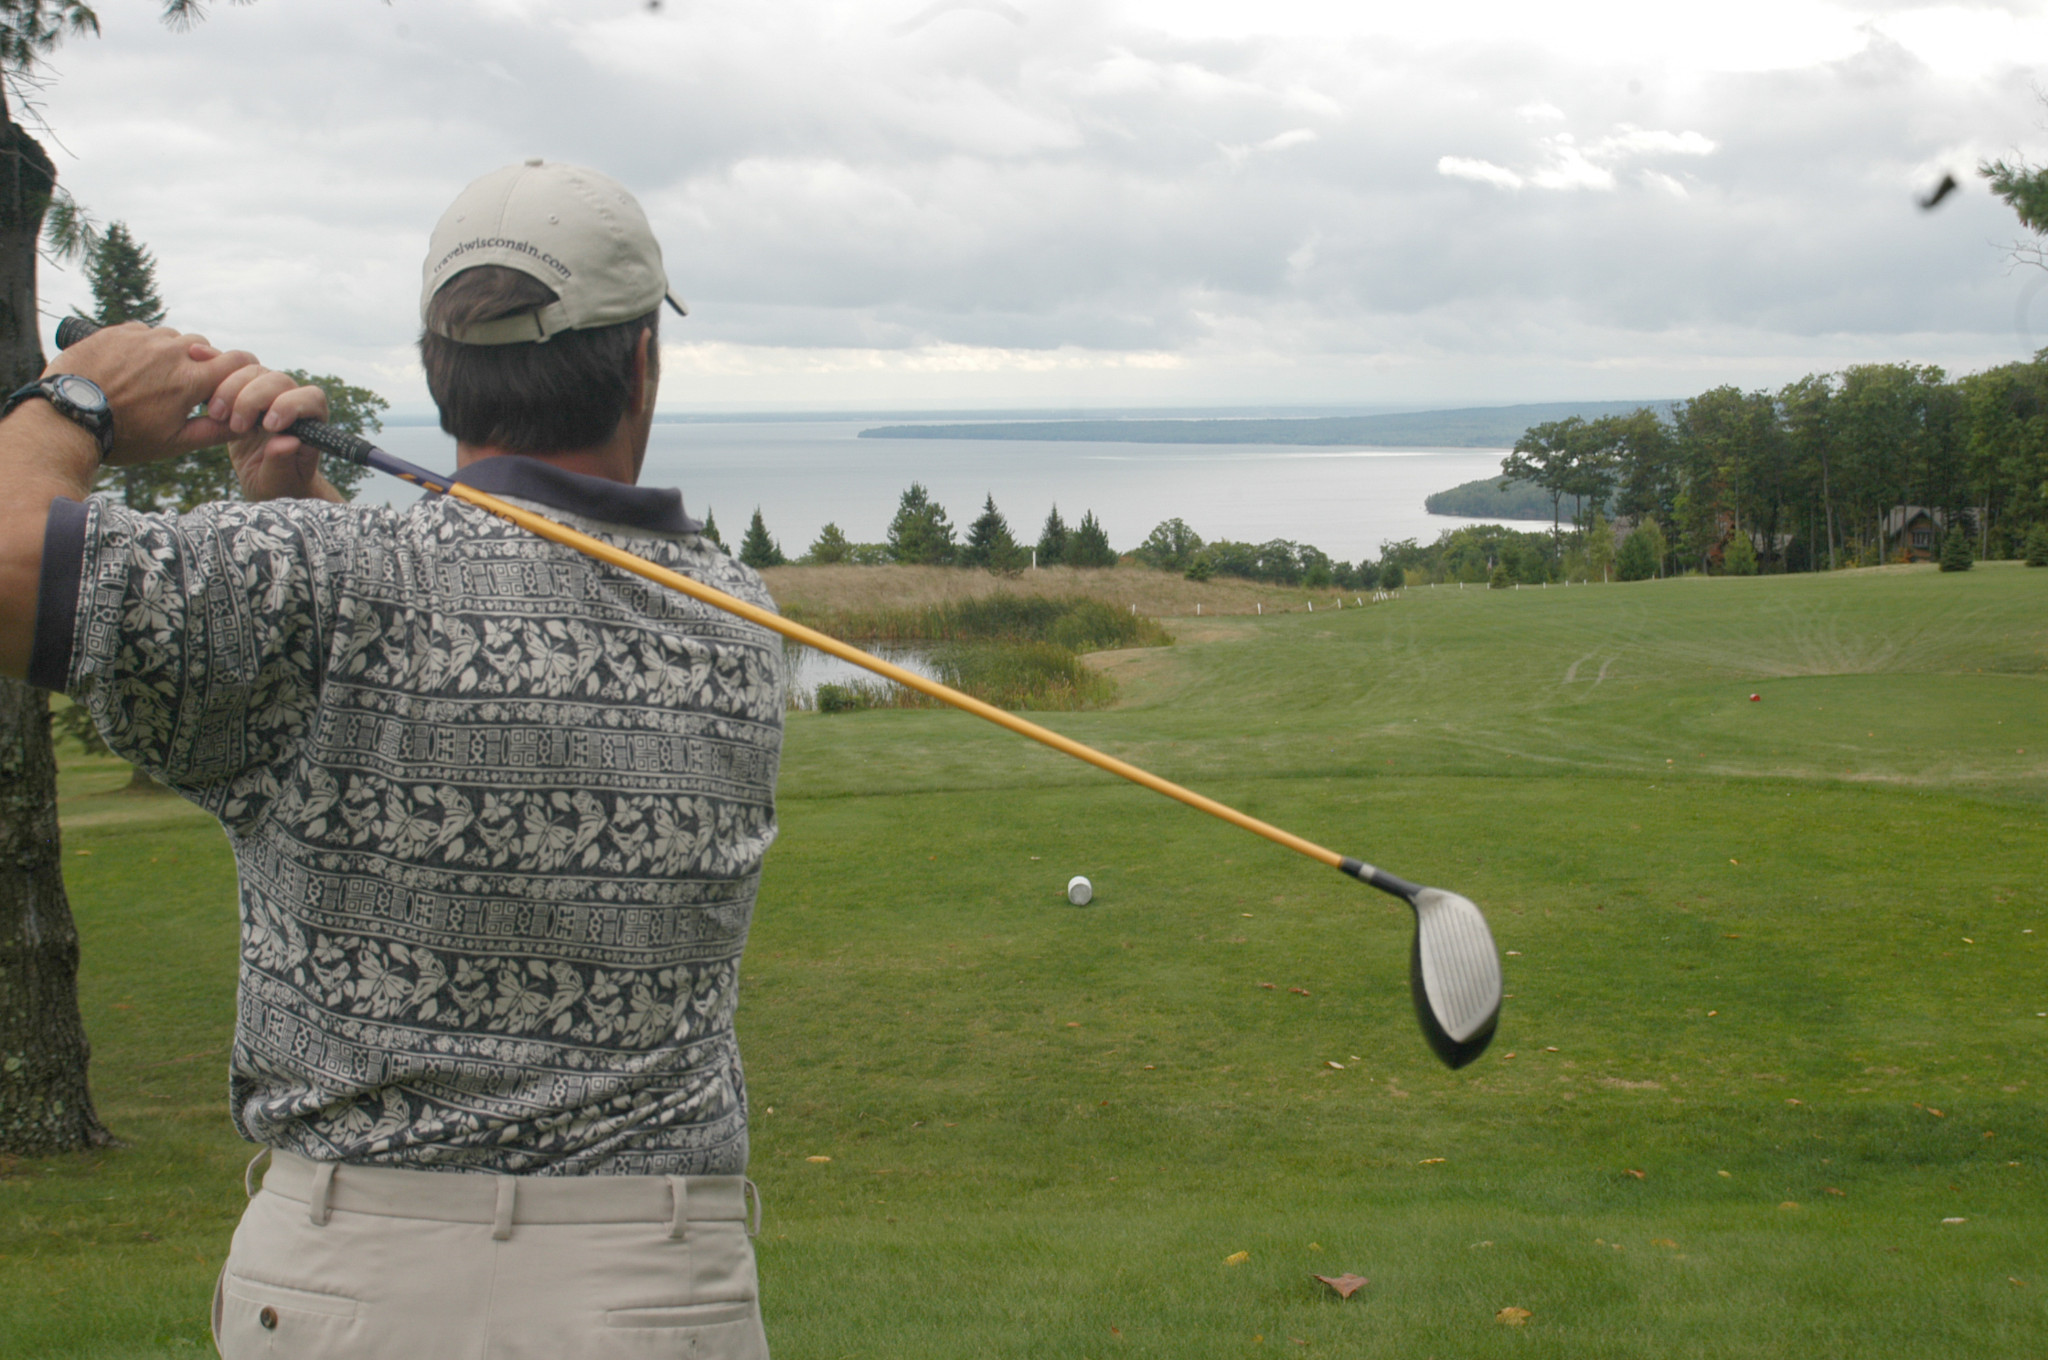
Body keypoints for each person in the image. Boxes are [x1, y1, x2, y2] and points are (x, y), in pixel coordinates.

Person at [0, 160, 782, 1358]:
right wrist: (294, 519)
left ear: (438, 368)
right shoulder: (732, 618)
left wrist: (80, 398)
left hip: (343, 1279)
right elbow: (489, 633)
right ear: (640, 361)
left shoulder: (316, 589)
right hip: (650, 1281)